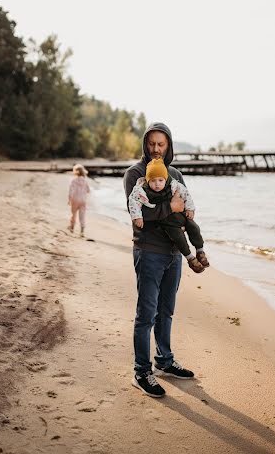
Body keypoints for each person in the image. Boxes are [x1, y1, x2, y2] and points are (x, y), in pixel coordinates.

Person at [124, 122, 205, 398]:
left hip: (174, 254)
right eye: (151, 144)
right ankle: (141, 371)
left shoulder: (175, 174)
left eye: (161, 144)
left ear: (168, 146)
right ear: (145, 144)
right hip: (148, 252)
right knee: (146, 314)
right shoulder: (134, 174)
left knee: (166, 311)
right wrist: (168, 209)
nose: (156, 149)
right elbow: (139, 217)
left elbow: (183, 209)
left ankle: (165, 362)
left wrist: (179, 218)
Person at [128, 156, 209, 272]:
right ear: (147, 180)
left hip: (182, 216)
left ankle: (200, 251)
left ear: (165, 179)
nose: (157, 184)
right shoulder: (141, 190)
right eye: (153, 181)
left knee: (194, 228)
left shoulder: (174, 185)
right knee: (179, 238)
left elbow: (186, 195)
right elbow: (133, 202)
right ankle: (190, 258)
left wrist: (190, 209)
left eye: (160, 180)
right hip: (167, 223)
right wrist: (137, 216)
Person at [68, 164, 90, 237]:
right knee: (82, 216)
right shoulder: (85, 181)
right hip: (83, 200)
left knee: (73, 214)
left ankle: (72, 228)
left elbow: (71, 191)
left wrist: (69, 199)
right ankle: (82, 231)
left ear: (75, 172)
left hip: (75, 200)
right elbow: (88, 190)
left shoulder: (74, 180)